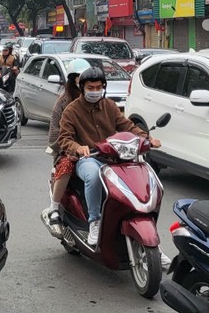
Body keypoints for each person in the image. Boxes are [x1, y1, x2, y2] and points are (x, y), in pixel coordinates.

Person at [57, 65, 161, 246]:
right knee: (93, 175)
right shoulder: (71, 111)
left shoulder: (110, 106)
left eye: (98, 88)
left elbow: (127, 126)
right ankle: (94, 221)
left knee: (138, 174)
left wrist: (147, 138)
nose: (95, 91)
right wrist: (78, 148)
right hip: (88, 159)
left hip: (113, 157)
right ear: (82, 88)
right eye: (91, 88)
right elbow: (64, 139)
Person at [41, 59, 89, 226]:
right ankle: (53, 208)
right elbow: (56, 133)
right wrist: (71, 149)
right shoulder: (63, 103)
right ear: (72, 79)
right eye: (79, 78)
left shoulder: (99, 102)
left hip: (94, 149)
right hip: (67, 150)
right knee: (67, 164)